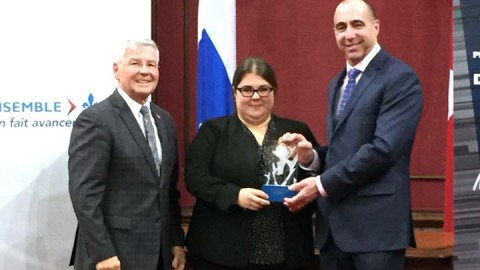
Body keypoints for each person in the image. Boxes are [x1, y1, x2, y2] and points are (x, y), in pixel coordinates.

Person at [280, 1, 423, 269]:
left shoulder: (400, 78)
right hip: (333, 234)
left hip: (377, 232)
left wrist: (320, 184)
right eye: (340, 27)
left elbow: (384, 149)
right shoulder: (337, 82)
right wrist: (311, 157)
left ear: (376, 27)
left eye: (357, 24)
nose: (349, 34)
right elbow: (343, 151)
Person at [185, 57, 321, 270]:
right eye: (246, 89)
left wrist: (307, 160)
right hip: (222, 252)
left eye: (263, 89)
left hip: (287, 251)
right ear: (235, 92)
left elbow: (317, 180)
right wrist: (234, 196)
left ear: (274, 91)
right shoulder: (213, 131)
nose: (255, 96)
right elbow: (195, 178)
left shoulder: (297, 131)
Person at [68, 38, 186, 270]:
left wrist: (175, 240)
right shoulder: (96, 119)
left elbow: (167, 191)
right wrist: (102, 253)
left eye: (151, 65)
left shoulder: (164, 120)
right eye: (135, 63)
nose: (145, 71)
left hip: (159, 255)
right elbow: (85, 194)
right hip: (113, 256)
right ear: (116, 70)